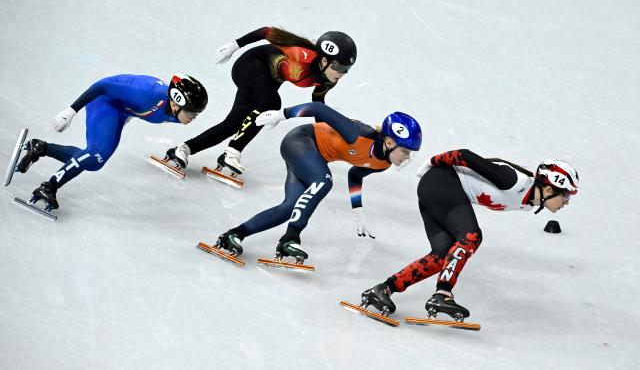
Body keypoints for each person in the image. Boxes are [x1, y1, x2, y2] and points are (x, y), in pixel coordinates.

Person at [359, 149, 579, 320]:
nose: (566, 203)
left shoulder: (530, 201)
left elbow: (491, 163)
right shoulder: (515, 182)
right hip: (441, 182)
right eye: (566, 197)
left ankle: (383, 289)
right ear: (549, 190)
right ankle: (442, 294)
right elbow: (465, 155)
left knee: (442, 256)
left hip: (438, 188)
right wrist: (433, 161)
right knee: (472, 235)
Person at [209, 101, 422, 262]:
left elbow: (355, 175)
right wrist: (281, 115)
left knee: (289, 207)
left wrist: (357, 208)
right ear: (389, 141)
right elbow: (318, 109)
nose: (407, 158)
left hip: (313, 159)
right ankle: (290, 239)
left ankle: (234, 234)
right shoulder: (357, 134)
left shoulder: (382, 163)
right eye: (405, 151)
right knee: (324, 180)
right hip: (300, 141)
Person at [164, 26, 357, 178]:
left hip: (266, 82)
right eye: (339, 67)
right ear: (324, 61)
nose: (342, 73)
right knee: (272, 104)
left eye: (347, 69)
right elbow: (267, 32)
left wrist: (322, 135)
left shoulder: (329, 80)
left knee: (232, 124)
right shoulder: (302, 55)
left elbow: (318, 106)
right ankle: (232, 153)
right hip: (249, 66)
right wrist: (235, 44)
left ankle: (183, 149)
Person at [15, 73, 208, 210]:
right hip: (105, 100)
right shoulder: (147, 94)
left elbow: (149, 111)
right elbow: (102, 86)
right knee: (97, 153)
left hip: (122, 109)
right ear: (174, 103)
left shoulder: (176, 113)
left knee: (95, 162)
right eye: (191, 112)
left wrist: (131, 113)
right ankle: (48, 187)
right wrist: (71, 111)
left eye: (197, 113)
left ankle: (40, 148)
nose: (193, 118)